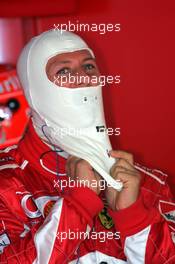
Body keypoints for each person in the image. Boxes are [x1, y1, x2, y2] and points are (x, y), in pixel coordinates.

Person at [0, 29, 174, 264]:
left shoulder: (149, 185)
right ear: (36, 89)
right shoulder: (7, 187)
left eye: (89, 66)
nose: (82, 77)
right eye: (64, 70)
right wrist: (79, 204)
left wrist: (134, 217)